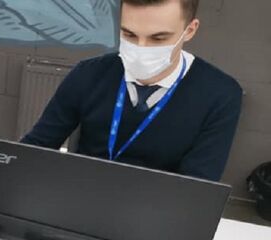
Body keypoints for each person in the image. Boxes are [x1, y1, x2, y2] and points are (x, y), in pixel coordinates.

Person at [22, 0, 242, 182]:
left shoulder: (220, 95)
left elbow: (197, 186)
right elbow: (35, 147)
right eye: (129, 34)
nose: (140, 49)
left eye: (158, 38)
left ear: (190, 30)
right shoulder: (89, 74)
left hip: (159, 210)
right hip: (80, 194)